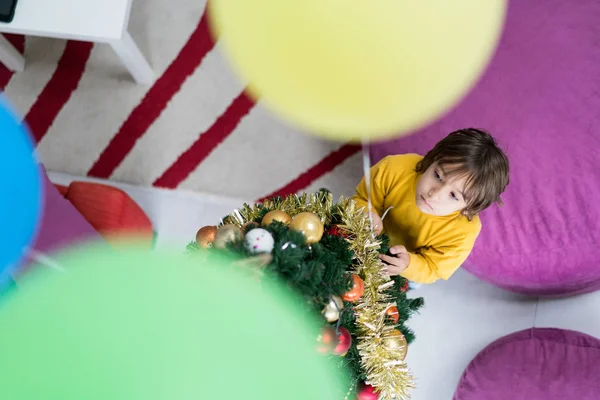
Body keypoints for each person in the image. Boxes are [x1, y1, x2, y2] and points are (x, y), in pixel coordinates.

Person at [352, 128, 509, 284]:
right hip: (363, 237)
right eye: (437, 175)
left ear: (468, 208)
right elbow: (362, 198)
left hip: (405, 269)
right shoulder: (394, 168)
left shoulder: (462, 233)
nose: (434, 194)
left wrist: (408, 265)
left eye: (453, 195)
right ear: (432, 159)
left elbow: (432, 268)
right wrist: (367, 211)